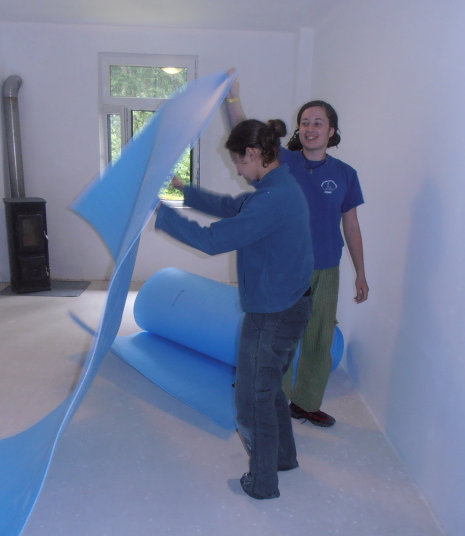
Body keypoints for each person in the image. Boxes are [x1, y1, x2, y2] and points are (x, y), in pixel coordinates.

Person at [155, 118, 313, 500]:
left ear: (254, 154)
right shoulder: (279, 186)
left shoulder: (271, 200)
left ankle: (261, 483)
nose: (239, 171)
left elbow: (212, 241)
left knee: (251, 400)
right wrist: (184, 191)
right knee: (269, 389)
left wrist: (160, 214)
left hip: (273, 314)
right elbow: (230, 206)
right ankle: (283, 459)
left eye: (239, 162)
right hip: (291, 304)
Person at [224, 71, 369, 428]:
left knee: (319, 339)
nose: (309, 128)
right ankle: (271, 400)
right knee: (278, 339)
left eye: (318, 123)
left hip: (326, 268)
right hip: (284, 269)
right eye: (305, 122)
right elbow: (246, 134)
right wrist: (232, 97)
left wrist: (361, 272)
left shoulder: (346, 174)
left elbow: (350, 224)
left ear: (331, 131)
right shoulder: (282, 162)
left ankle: (305, 403)